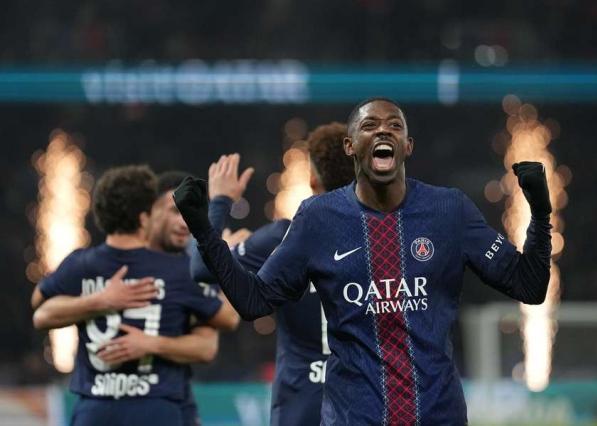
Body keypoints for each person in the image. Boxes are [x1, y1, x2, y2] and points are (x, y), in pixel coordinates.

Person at [174, 98, 553, 424]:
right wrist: (204, 231)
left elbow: (530, 286)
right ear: (351, 145)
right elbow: (254, 301)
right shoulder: (317, 219)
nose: (383, 130)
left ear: (408, 146)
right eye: (369, 125)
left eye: (395, 126)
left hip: (438, 417)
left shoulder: (449, 210)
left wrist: (539, 213)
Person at [31, 165, 237, 426]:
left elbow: (39, 308)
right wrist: (228, 258)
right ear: (145, 217)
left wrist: (97, 301)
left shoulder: (81, 264)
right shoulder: (180, 271)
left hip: (94, 409)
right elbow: (228, 319)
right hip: (155, 407)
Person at [189, 122, 354, 425]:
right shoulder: (383, 239)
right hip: (362, 402)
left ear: (312, 179)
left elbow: (201, 267)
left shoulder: (282, 238)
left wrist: (220, 202)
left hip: (300, 406)